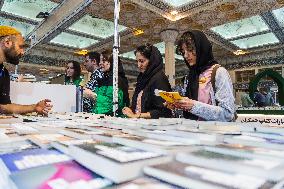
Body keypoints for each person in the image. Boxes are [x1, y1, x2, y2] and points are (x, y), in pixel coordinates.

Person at [170, 30, 235, 121]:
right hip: (193, 132)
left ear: (201, 48)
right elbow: (190, 110)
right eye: (183, 51)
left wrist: (193, 105)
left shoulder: (218, 72)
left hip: (214, 133)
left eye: (190, 50)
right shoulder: (190, 76)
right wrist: (179, 104)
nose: (185, 55)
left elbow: (227, 114)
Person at [0, 26, 52, 115]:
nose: (23, 52)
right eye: (20, 47)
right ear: (7, 42)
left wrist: (34, 107)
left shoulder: (4, 72)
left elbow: (4, 106)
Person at [122, 44, 172, 119]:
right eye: (137, 61)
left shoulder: (159, 78)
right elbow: (139, 104)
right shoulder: (141, 78)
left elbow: (163, 111)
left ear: (152, 61)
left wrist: (137, 115)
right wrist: (131, 110)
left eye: (142, 61)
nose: (138, 65)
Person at [93, 50, 129, 116]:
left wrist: (93, 96)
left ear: (112, 62)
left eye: (104, 61)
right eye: (100, 61)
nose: (100, 63)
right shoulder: (104, 79)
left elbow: (112, 105)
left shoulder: (117, 80)